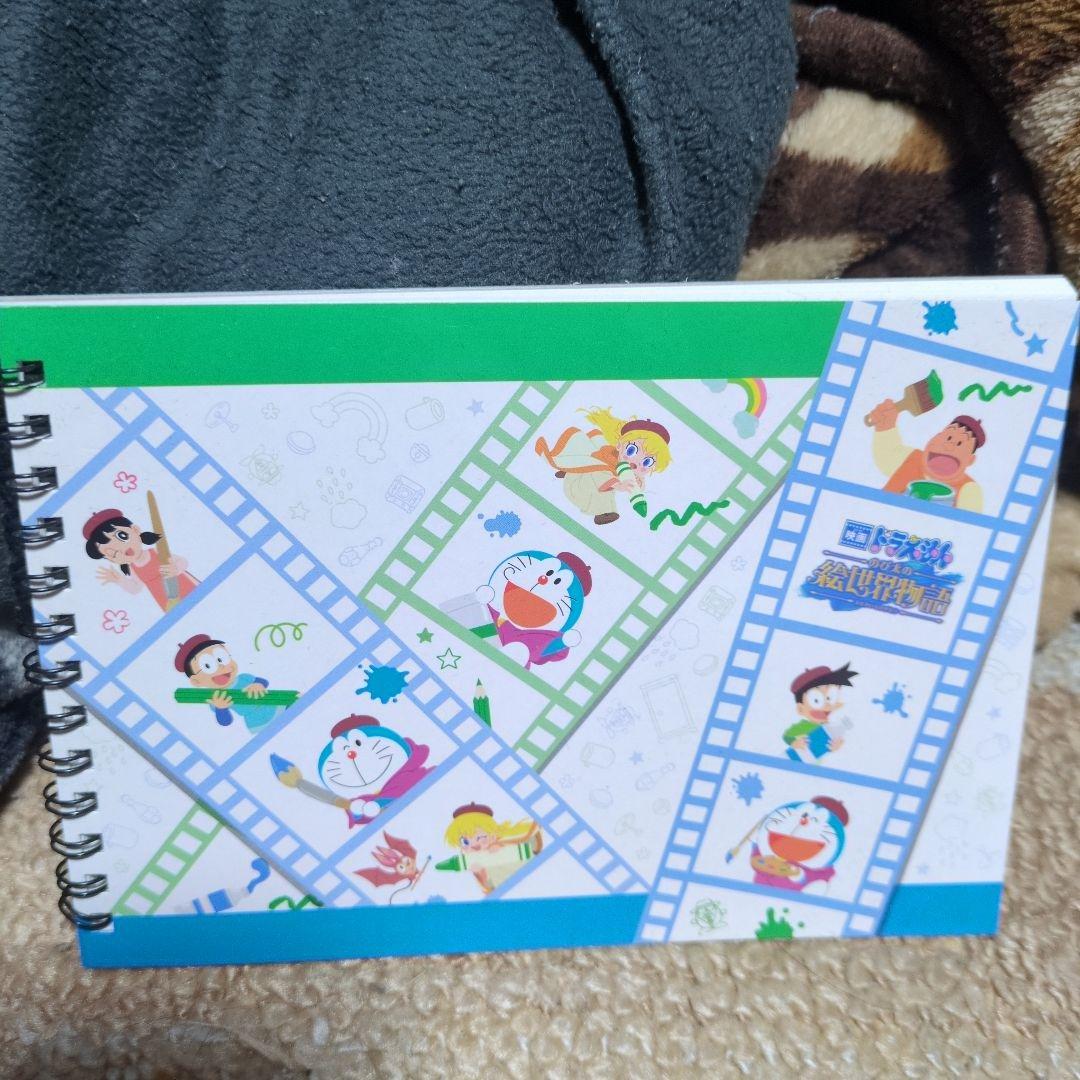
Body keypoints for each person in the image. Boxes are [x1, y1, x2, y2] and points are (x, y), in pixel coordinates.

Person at [865, 406, 985, 510]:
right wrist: (886, 427)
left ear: (970, 460)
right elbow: (886, 455)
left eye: (959, 444)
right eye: (948, 437)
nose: (949, 446)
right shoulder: (911, 457)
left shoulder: (968, 490)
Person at [84, 508, 198, 611]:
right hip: (166, 600)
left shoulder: (155, 552)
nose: (122, 549)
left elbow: (183, 561)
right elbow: (136, 588)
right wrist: (119, 580)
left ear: (135, 530)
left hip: (184, 585)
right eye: (113, 553)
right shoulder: (133, 569)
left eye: (122, 536)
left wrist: (176, 568)